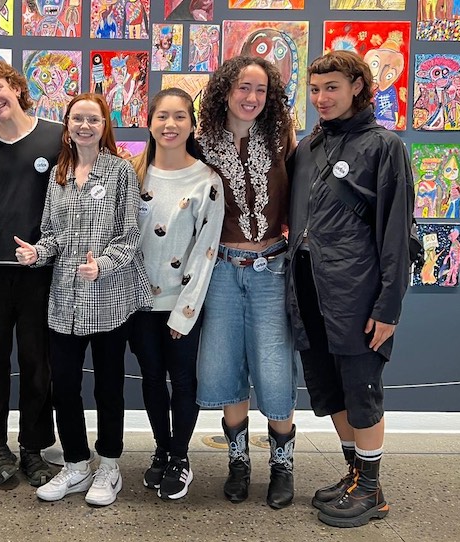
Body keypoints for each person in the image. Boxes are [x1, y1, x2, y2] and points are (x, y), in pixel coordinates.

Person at [286, 50, 414, 528]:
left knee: (362, 390)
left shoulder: (385, 146)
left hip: (357, 290)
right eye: (316, 90)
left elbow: (397, 233)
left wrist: (388, 306)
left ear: (357, 86)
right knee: (329, 389)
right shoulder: (308, 147)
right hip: (307, 286)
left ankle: (372, 491)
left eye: (332, 88)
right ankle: (356, 475)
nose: (322, 98)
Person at [15, 93, 151, 507]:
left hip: (109, 298)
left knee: (108, 388)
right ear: (67, 125)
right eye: (78, 119)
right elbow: (52, 235)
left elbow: (129, 236)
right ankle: (76, 463)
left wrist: (102, 265)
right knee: (65, 387)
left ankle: (109, 465)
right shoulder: (59, 172)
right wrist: (37, 253)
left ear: (105, 125)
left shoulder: (120, 171)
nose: (85, 126)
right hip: (64, 300)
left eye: (93, 119)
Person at [195, 56, 299, 508]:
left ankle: (282, 466)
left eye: (260, 89)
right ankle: (238, 463)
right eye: (243, 87)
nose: (251, 97)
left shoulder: (281, 139)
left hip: (271, 268)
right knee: (225, 365)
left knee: (274, 367)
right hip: (220, 268)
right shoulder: (201, 143)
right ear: (225, 91)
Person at [0, 59, 63, 489]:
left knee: (38, 362)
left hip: (38, 268)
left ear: (17, 88)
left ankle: (33, 448)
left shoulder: (56, 135)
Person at [128, 88, 224, 501]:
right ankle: (162, 449)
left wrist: (184, 312)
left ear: (192, 124)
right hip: (137, 302)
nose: (170, 124)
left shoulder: (207, 181)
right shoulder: (132, 173)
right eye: (162, 116)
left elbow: (206, 252)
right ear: (149, 122)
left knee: (183, 380)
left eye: (180, 116)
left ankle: (181, 456)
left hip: (181, 304)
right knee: (151, 378)